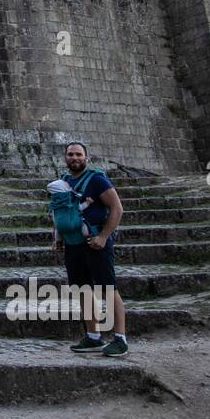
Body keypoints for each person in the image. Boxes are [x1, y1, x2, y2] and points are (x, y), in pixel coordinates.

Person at [50, 142, 128, 356]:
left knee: (108, 289)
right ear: (65, 157)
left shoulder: (96, 179)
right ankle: (93, 337)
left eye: (78, 154)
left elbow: (117, 208)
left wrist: (103, 236)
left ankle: (120, 339)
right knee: (82, 290)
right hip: (73, 244)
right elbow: (59, 211)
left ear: (86, 157)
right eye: (70, 154)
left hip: (96, 242)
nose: (74, 158)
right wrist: (58, 237)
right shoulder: (63, 182)